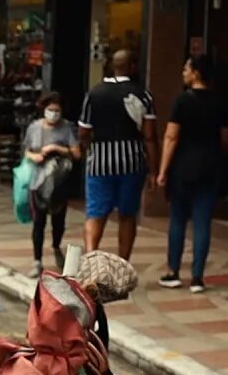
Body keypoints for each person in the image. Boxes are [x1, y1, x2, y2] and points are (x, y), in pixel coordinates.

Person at [156, 53, 228, 293]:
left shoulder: (182, 101)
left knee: (178, 218)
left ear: (196, 72)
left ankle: (173, 272)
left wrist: (162, 170)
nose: (183, 72)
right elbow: (224, 139)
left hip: (183, 167)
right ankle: (197, 278)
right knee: (202, 222)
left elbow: (171, 137)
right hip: (210, 167)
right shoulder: (220, 102)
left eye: (187, 68)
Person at [77, 49, 156, 260]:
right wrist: (154, 170)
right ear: (132, 66)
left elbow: (83, 131)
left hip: (100, 163)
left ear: (114, 66)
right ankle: (123, 262)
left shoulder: (94, 94)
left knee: (95, 213)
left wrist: (89, 147)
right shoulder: (144, 94)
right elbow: (149, 136)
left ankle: (91, 258)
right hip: (132, 163)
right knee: (127, 215)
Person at [23, 92, 82, 277]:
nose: (53, 114)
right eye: (50, 110)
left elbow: (77, 153)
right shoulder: (34, 128)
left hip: (59, 182)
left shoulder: (67, 129)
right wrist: (36, 156)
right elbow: (26, 151)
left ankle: (56, 246)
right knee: (38, 222)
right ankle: (37, 260)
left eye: (57, 110)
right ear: (44, 109)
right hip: (37, 180)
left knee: (58, 221)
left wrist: (56, 148)